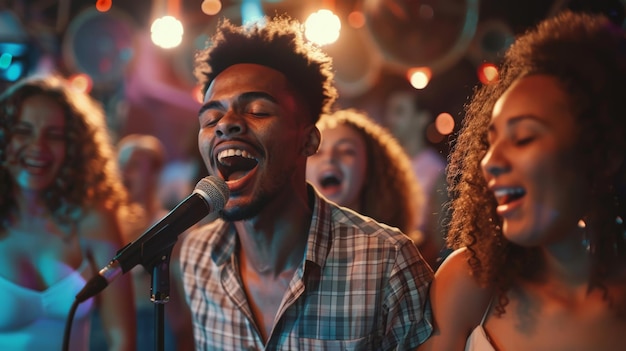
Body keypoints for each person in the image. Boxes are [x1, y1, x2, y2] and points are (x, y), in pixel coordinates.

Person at [179, 15, 434, 350]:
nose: (225, 125)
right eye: (211, 118)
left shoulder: (387, 263)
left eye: (257, 110)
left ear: (309, 141)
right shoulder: (196, 257)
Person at [419, 10, 626, 350]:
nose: (490, 162)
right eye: (491, 141)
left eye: (524, 138)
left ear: (604, 154)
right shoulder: (469, 285)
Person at [0, 74, 136, 350]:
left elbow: (122, 340)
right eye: (23, 131)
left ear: (74, 148)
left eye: (54, 136)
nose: (38, 147)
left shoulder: (94, 221)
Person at [111, 134, 195, 351]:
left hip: (154, 322)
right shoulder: (109, 224)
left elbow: (182, 292)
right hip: (111, 322)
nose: (125, 172)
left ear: (156, 172)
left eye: (135, 165)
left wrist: (183, 332)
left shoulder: (169, 225)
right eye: (122, 165)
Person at [306, 108, 423, 238]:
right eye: (318, 151)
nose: (330, 157)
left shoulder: (393, 249)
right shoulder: (286, 245)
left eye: (346, 150)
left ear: (370, 167)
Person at [384, 89, 450, 269]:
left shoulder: (435, 170)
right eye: (389, 111)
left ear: (422, 119)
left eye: (399, 111)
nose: (390, 119)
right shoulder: (387, 165)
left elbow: (440, 239)